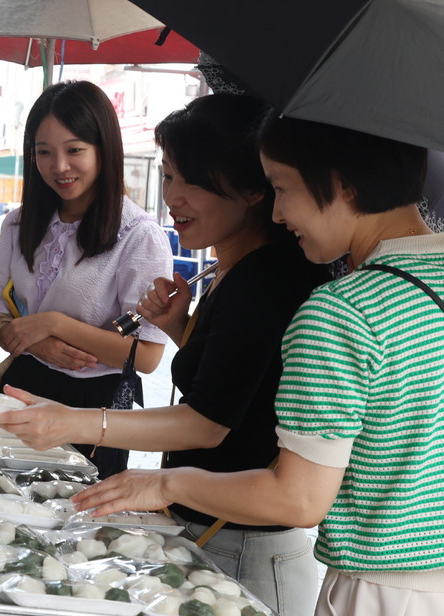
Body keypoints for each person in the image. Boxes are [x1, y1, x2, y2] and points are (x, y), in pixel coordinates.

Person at [70, 114, 444, 615]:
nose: (278, 211)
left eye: (282, 188)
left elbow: (298, 500)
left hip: (381, 591)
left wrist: (161, 483)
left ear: (340, 183)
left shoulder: (344, 310)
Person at [0, 94, 331, 616]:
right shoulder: (231, 269)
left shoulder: (265, 278)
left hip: (245, 548)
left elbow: (209, 423)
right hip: (215, 532)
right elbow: (240, 386)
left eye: (190, 181)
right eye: (168, 177)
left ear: (251, 191)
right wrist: (180, 328)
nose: (173, 197)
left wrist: (73, 424)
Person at [0, 80, 173, 478]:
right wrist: (40, 345)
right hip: (20, 389)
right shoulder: (17, 224)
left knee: (74, 525)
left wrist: (55, 325)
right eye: (44, 152)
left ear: (104, 150)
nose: (59, 167)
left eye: (74, 150)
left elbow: (147, 356)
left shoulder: (138, 235)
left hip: (94, 410)